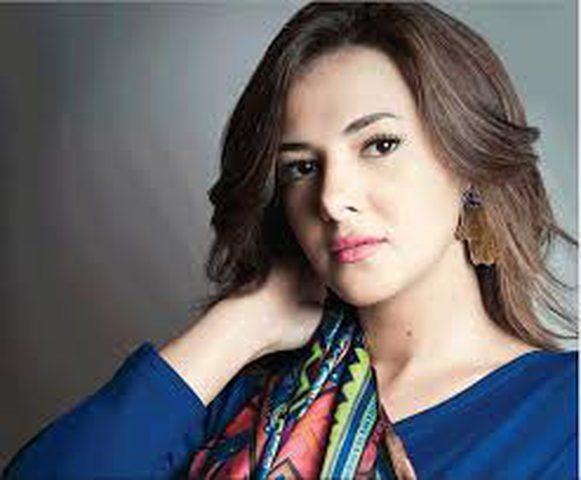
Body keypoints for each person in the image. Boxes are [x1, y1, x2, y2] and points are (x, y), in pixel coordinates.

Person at [3, 2, 578, 479]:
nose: (332, 198)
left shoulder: (564, 417)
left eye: (379, 145)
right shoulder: (234, 401)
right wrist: (240, 325)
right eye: (301, 168)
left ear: (469, 163)